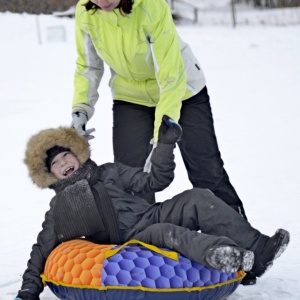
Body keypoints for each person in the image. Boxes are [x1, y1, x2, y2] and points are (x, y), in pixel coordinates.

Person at [16, 118, 289, 300]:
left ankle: (259, 250)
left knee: (198, 196)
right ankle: (219, 254)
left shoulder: (110, 172)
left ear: (78, 154)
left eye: (67, 155)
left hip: (151, 213)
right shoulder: (60, 206)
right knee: (165, 232)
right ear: (50, 174)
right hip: (130, 238)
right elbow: (42, 246)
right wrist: (29, 288)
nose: (64, 163)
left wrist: (165, 145)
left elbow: (155, 180)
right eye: (56, 164)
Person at [70, 0, 247, 220]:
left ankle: (239, 236)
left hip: (183, 92)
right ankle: (142, 242)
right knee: (131, 176)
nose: (102, 2)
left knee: (205, 169)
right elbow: (88, 65)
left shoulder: (151, 6)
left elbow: (170, 75)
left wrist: (160, 142)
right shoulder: (86, 12)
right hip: (131, 97)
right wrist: (81, 109)